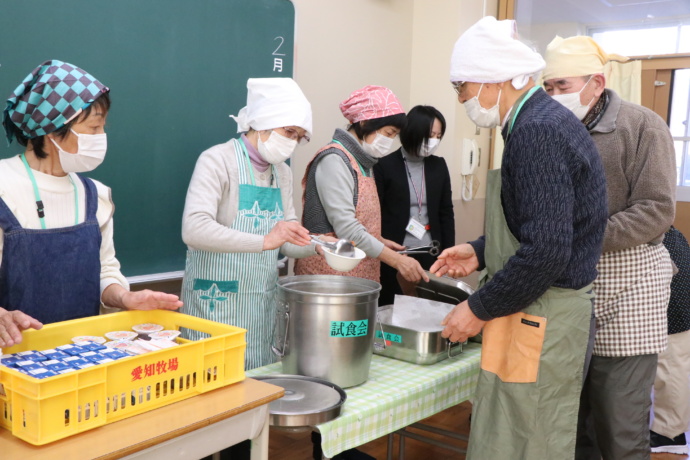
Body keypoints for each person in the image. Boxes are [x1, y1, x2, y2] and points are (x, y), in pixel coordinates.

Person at [430, 17, 608, 459]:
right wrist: (478, 251)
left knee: (528, 442)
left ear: (494, 82)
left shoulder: (537, 131)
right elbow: (544, 223)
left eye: (463, 87)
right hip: (536, 309)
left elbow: (547, 251)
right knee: (511, 434)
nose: (464, 99)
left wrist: (478, 307)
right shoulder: (538, 122)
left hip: (545, 315)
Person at [543, 35, 676, 460]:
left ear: (596, 83)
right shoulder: (549, 130)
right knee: (571, 417)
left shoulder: (643, 126)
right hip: (573, 284)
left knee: (620, 424)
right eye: (547, 87)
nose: (554, 96)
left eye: (562, 86)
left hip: (633, 282)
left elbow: (657, 209)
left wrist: (580, 237)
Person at [0, 60, 182, 348]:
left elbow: (104, 271)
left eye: (103, 127)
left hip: (82, 355)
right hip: (11, 362)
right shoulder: (4, 187)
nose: (102, 138)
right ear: (51, 130)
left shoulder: (94, 195)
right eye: (94, 127)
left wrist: (125, 298)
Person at [181, 77, 317, 370]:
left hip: (259, 306)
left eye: (299, 136)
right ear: (264, 123)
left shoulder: (280, 173)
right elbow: (193, 229)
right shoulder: (217, 160)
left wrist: (320, 246)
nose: (292, 142)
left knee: (258, 383)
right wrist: (264, 242)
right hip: (215, 303)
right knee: (214, 388)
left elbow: (288, 239)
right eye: (289, 131)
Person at [295, 85, 427, 285]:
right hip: (328, 275)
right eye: (388, 133)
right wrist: (397, 261)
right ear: (364, 122)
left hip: (356, 276)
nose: (390, 141)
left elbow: (358, 222)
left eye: (394, 136)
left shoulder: (363, 162)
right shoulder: (334, 160)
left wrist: (379, 241)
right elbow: (347, 228)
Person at [374, 105, 454, 306]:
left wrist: (449, 254)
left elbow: (446, 212)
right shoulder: (384, 166)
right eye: (430, 135)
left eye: (438, 135)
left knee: (428, 311)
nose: (434, 141)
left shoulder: (439, 165)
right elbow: (377, 215)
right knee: (392, 312)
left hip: (431, 253)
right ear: (413, 131)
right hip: (396, 255)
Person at [650, 226, 690, 455]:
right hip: (666, 248)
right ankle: (669, 429)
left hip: (667, 259)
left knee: (671, 362)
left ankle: (671, 434)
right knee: (671, 361)